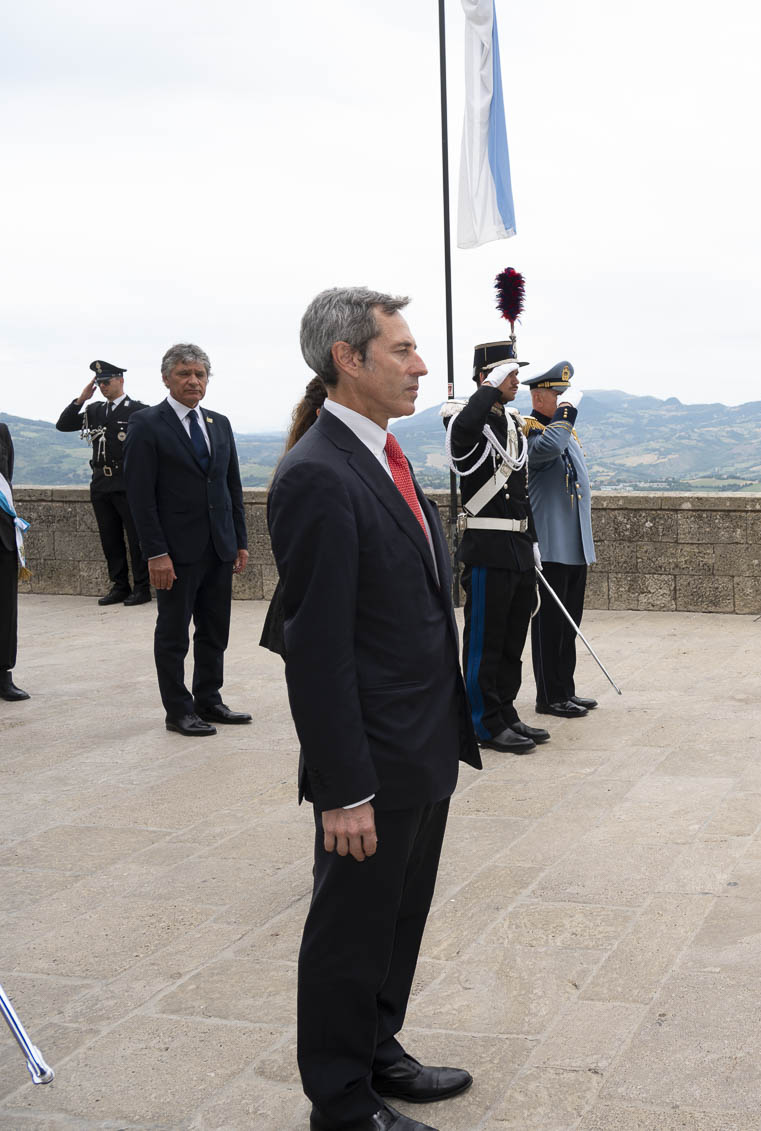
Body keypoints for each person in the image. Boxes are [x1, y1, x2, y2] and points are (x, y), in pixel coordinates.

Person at [271, 287, 481, 1131]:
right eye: (401, 349)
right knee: (349, 932)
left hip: (421, 744)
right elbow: (315, 653)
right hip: (372, 759)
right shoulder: (319, 471)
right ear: (347, 360)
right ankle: (341, 1098)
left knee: (398, 917)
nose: (421, 364)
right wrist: (343, 788)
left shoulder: (383, 454)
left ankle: (377, 1046)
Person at [122, 343, 250, 737]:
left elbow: (232, 487)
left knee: (215, 630)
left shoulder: (219, 423)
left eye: (200, 374)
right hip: (175, 553)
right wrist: (155, 552)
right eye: (184, 374)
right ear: (166, 378)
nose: (193, 381)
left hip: (219, 547)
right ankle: (178, 710)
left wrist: (240, 540)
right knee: (174, 632)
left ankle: (209, 700)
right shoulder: (147, 423)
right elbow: (140, 496)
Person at [448, 340, 546, 754]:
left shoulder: (509, 422)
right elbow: (465, 436)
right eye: (510, 372)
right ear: (487, 376)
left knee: (511, 640)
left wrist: (533, 541)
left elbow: (520, 489)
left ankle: (504, 710)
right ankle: (481, 722)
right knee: (485, 642)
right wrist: (486, 387)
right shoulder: (463, 419)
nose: (517, 380)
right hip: (488, 546)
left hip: (516, 546)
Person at [522, 362, 599, 719]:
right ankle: (549, 696)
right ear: (539, 397)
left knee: (569, 626)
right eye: (557, 395)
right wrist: (568, 412)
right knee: (549, 627)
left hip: (574, 546)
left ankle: (565, 689)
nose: (564, 401)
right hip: (551, 547)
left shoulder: (562, 433)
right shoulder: (533, 435)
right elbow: (551, 446)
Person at [54, 360, 150, 606]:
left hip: (127, 483)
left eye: (106, 381)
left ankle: (142, 588)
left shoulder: (138, 411)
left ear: (120, 380)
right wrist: (81, 399)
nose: (103, 386)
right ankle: (119, 586)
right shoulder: (95, 410)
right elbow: (63, 425)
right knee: (110, 538)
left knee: (136, 538)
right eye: (99, 383)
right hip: (100, 483)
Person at [0, 422, 26, 701]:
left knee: (5, 610)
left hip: (2, 535)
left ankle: (3, 675)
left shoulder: (1, 431)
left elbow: (6, 478)